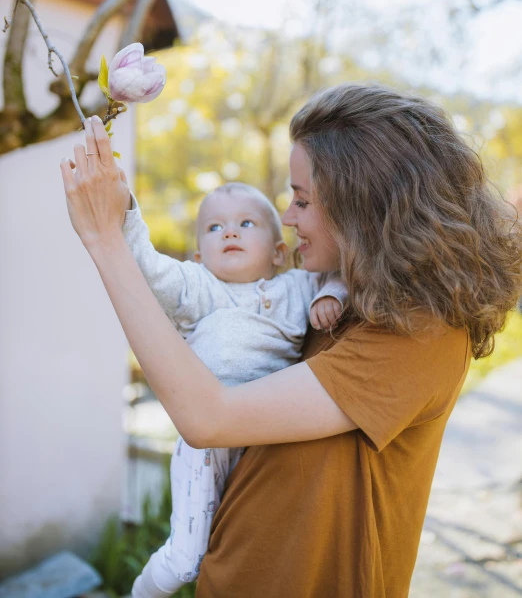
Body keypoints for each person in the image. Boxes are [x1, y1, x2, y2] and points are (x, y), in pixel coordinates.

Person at [60, 83, 522, 597]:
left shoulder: (421, 332)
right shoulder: (332, 297)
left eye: (302, 199)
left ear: (365, 207)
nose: (287, 217)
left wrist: (105, 241)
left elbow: (208, 417)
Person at [121, 182, 347, 597]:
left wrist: (331, 294)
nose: (229, 232)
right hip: (204, 443)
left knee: (246, 538)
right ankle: (140, 592)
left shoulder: (299, 287)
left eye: (246, 223)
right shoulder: (197, 289)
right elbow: (146, 266)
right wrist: (127, 211)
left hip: (264, 439)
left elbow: (344, 271)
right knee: (187, 559)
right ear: (198, 256)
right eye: (214, 228)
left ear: (279, 252)